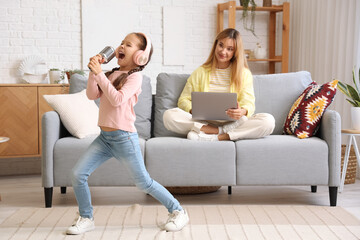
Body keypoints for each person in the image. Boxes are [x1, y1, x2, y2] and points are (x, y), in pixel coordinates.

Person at [66, 32, 189, 235]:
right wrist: (93, 72)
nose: (121, 46)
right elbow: (91, 95)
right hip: (105, 139)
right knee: (78, 174)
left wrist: (99, 75)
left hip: (124, 138)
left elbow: (116, 99)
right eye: (121, 43)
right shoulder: (110, 74)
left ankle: (178, 210)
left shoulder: (135, 78)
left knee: (143, 183)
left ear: (140, 56)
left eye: (128, 44)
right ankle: (86, 217)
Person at [163, 28, 275, 141]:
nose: (223, 51)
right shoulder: (200, 72)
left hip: (234, 122)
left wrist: (242, 111)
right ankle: (218, 131)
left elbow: (249, 103)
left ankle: (218, 137)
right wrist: (194, 110)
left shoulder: (243, 74)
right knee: (169, 116)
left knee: (268, 121)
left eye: (229, 49)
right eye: (221, 45)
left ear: (235, 52)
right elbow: (183, 100)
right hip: (204, 121)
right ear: (216, 45)